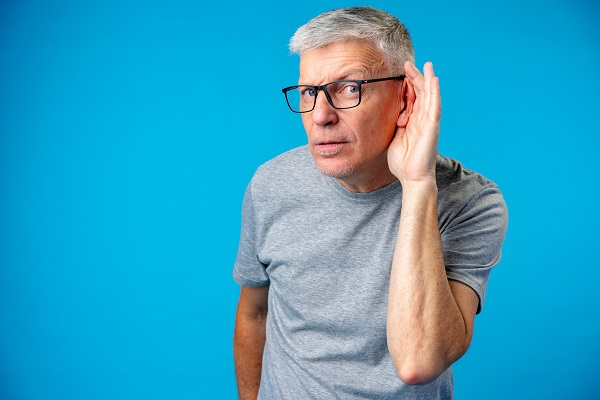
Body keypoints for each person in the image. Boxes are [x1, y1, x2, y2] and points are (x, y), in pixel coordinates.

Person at [232, 6, 508, 399]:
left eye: (348, 88)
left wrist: (416, 183)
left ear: (406, 96)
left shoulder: (472, 202)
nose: (320, 116)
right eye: (309, 92)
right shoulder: (271, 183)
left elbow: (419, 361)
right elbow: (254, 310)